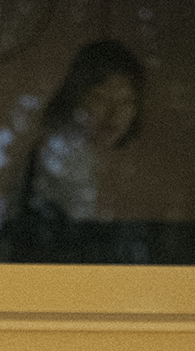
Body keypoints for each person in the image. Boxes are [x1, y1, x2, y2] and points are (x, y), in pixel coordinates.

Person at [13, 39, 145, 235]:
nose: (114, 114)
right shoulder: (54, 158)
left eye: (126, 102)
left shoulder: (130, 167)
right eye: (100, 97)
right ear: (75, 97)